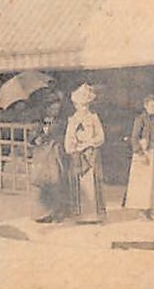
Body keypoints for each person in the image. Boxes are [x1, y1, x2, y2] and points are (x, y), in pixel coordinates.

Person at [123, 94, 154, 220]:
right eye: (152, 106)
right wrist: (139, 153)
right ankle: (142, 211)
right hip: (144, 153)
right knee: (143, 183)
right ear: (145, 106)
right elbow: (134, 138)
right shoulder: (140, 119)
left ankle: (153, 209)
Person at [63, 83, 106, 223]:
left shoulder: (93, 118)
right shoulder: (73, 120)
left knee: (92, 183)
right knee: (79, 184)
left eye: (86, 105)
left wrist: (89, 144)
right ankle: (79, 215)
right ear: (75, 105)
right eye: (80, 105)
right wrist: (74, 146)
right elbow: (68, 139)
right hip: (78, 155)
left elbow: (101, 137)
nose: (83, 108)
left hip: (91, 153)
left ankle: (94, 215)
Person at [28, 109, 69, 224]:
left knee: (56, 182)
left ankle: (57, 212)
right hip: (41, 159)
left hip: (53, 156)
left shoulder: (60, 125)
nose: (54, 109)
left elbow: (62, 138)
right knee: (41, 185)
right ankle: (42, 213)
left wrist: (53, 141)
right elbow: (31, 138)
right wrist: (36, 139)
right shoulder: (37, 126)